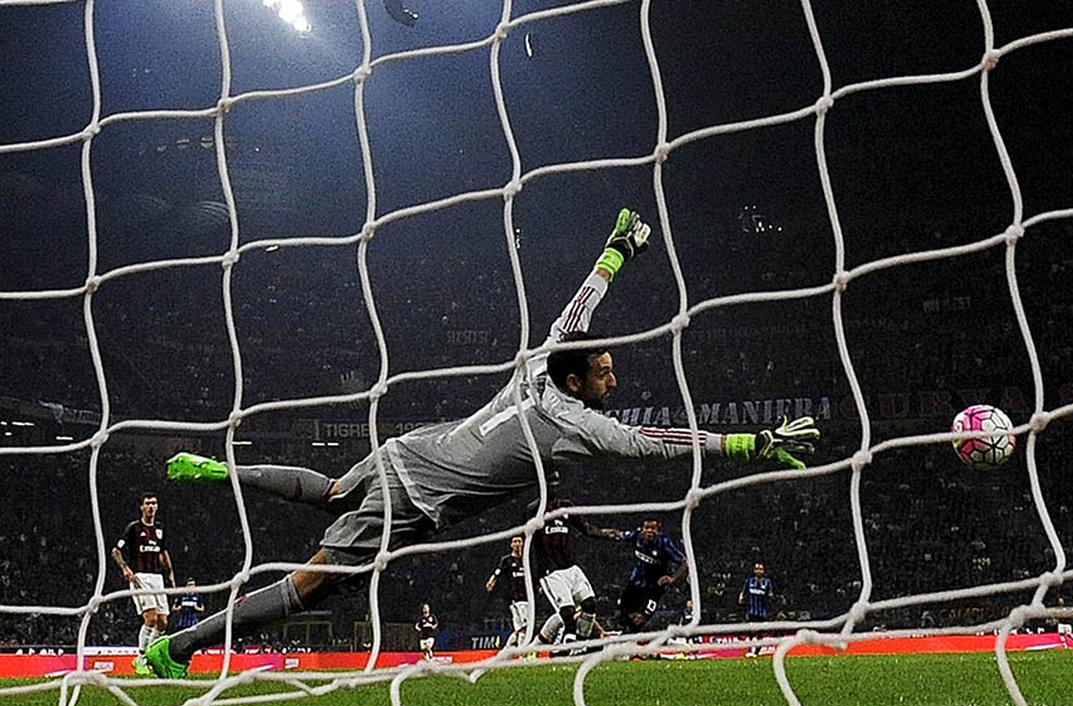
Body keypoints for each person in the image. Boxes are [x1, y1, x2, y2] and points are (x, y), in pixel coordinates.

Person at [143, 209, 820, 678]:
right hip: (417, 497)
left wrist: (620, 249)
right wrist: (747, 443)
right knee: (313, 585)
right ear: (577, 380)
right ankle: (181, 646)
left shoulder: (545, 357)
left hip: (407, 450)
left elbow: (583, 302)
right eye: (606, 371)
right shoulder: (578, 427)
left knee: (330, 491)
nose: (615, 375)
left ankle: (220, 468)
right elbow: (658, 442)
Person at [530, 475, 621, 653]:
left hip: (571, 567)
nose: (553, 486)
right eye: (550, 482)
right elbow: (529, 542)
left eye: (556, 481)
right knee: (567, 611)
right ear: (541, 484)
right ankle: (565, 646)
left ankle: (580, 644)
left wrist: (606, 534)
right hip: (551, 571)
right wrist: (536, 576)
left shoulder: (566, 507)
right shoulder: (534, 509)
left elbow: (586, 528)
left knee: (590, 604)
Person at [112, 493, 176, 676]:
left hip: (158, 578)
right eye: (147, 503)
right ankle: (140, 658)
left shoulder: (160, 529)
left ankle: (149, 656)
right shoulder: (133, 528)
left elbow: (163, 551)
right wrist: (125, 568)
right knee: (151, 618)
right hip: (140, 577)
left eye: (154, 503)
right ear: (141, 507)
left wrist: (170, 573)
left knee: (163, 622)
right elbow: (116, 551)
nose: (151, 507)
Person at [615, 519, 688, 633]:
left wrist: (672, 578)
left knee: (639, 619)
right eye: (647, 528)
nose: (649, 531)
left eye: (653, 528)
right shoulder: (637, 536)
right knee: (619, 616)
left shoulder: (663, 543)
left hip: (653, 589)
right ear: (643, 529)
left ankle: (629, 641)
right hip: (634, 584)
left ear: (657, 530)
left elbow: (684, 562)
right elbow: (618, 535)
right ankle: (627, 637)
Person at [485, 535, 530, 649]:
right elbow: (498, 572)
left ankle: (507, 649)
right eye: (514, 541)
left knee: (523, 627)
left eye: (519, 541)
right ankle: (521, 651)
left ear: (523, 543)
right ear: (511, 545)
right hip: (515, 599)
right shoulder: (507, 560)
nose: (517, 544)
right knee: (523, 626)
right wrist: (491, 581)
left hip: (528, 598)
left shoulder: (526, 559)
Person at [738, 562, 773, 658]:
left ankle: (757, 652)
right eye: (757, 569)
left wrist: (769, 598)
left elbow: (770, 595)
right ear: (754, 570)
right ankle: (749, 650)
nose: (759, 571)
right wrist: (741, 598)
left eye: (760, 569)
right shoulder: (749, 581)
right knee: (750, 631)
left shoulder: (767, 582)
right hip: (751, 611)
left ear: (763, 571)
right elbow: (743, 593)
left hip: (762, 612)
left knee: (760, 633)